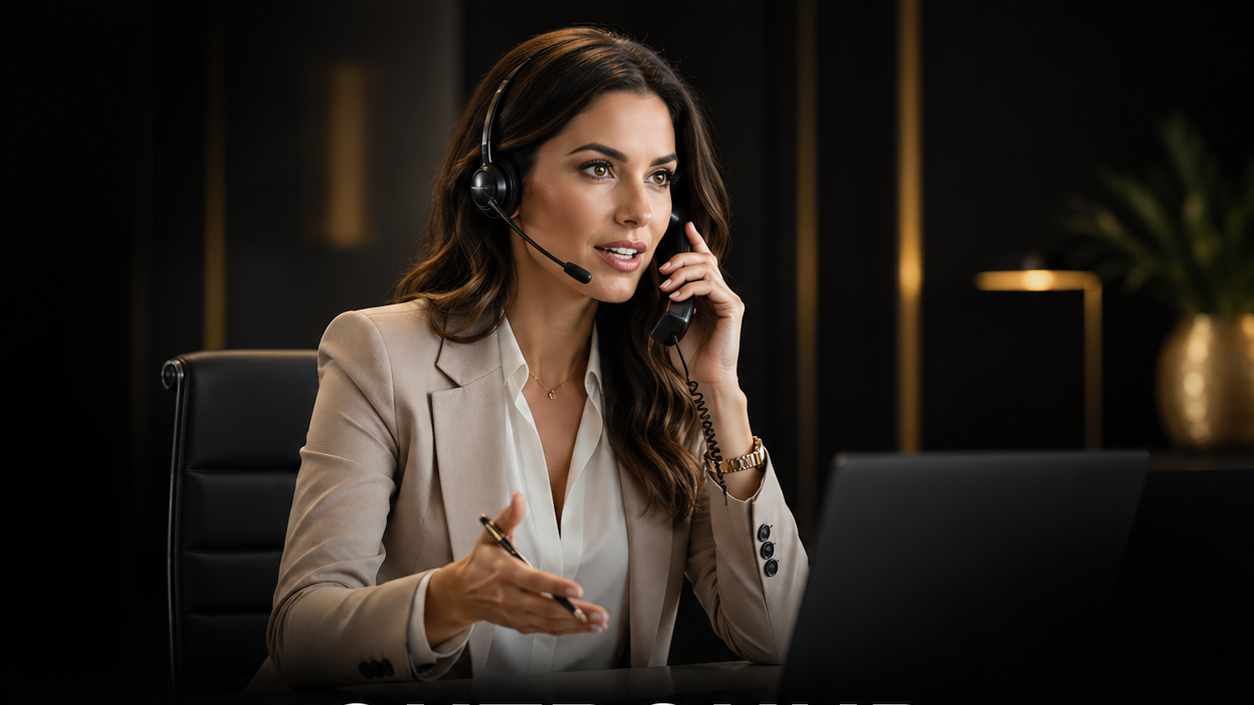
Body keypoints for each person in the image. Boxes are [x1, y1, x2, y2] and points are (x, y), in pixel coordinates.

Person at [248, 26, 807, 691]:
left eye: (659, 177)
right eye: (599, 168)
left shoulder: (669, 385)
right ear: (500, 186)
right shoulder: (383, 354)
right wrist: (446, 601)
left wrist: (719, 390)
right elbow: (300, 634)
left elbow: (781, 637)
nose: (639, 211)